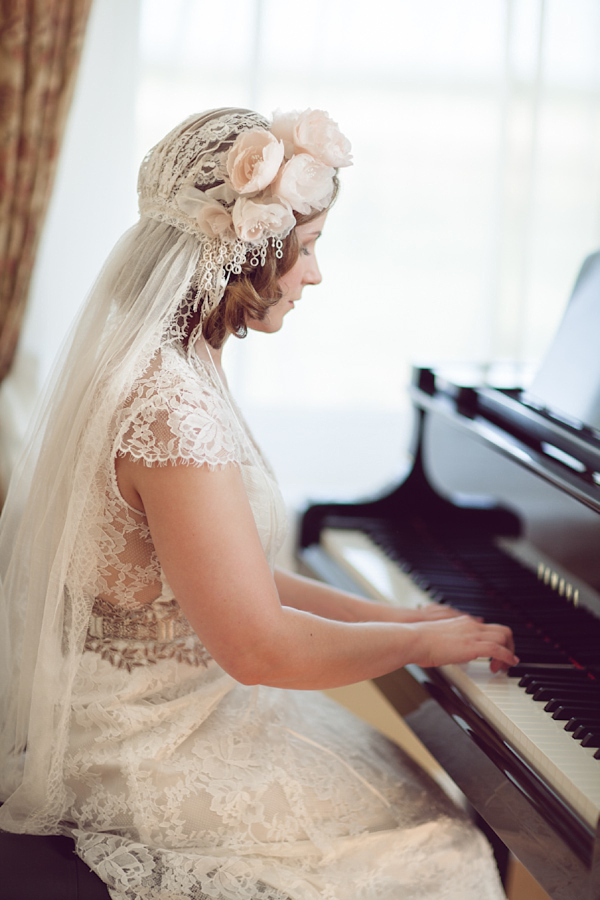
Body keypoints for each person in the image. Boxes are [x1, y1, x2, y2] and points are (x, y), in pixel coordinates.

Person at [0, 107, 516, 900]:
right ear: (249, 250)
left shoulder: (178, 364)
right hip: (147, 745)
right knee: (440, 851)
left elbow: (240, 580)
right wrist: (417, 647)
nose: (315, 275)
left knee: (433, 808)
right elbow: (259, 650)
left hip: (183, 711)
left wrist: (407, 621)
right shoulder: (166, 408)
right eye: (306, 251)